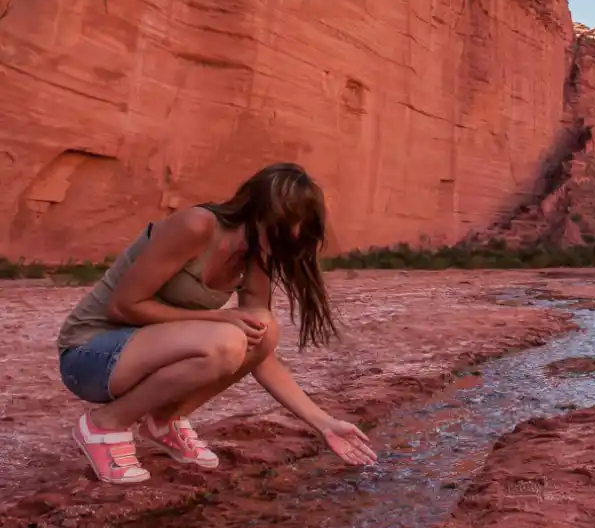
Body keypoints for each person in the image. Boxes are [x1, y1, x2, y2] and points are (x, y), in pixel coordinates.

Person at [56, 162, 377, 484]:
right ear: (262, 212)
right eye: (287, 230)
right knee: (226, 341)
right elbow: (124, 306)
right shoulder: (197, 226)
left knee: (262, 328)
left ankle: (163, 421)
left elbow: (260, 351)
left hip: (145, 356)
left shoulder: (257, 256)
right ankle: (104, 424)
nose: (290, 244)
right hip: (90, 356)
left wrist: (323, 422)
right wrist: (217, 316)